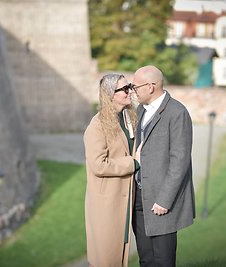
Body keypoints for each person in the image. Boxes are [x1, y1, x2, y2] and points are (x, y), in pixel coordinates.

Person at [131, 65, 195, 267]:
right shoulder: (141, 109)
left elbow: (180, 160)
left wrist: (165, 200)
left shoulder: (177, 112)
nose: (133, 90)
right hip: (139, 199)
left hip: (161, 201)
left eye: (135, 86)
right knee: (146, 259)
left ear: (150, 86)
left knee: (164, 261)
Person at [83, 73, 140, 267]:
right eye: (124, 89)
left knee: (121, 255)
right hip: (107, 203)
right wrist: (133, 163)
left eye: (129, 86)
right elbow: (99, 165)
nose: (129, 92)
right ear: (110, 95)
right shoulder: (96, 126)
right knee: (106, 259)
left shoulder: (129, 118)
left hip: (126, 199)